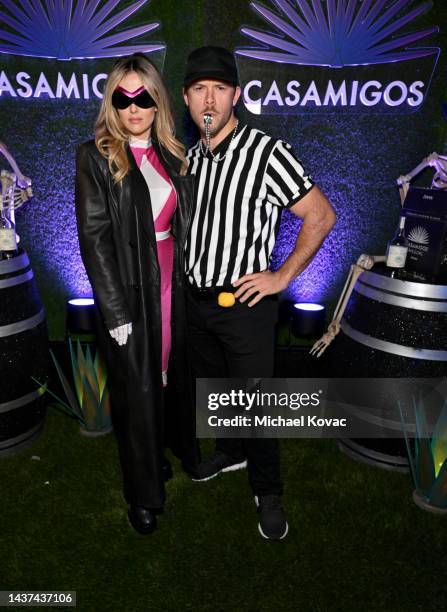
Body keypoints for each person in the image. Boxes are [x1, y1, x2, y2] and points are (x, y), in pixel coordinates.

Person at [182, 46, 336, 540]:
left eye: (219, 89)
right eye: (200, 89)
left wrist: (282, 277)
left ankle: (267, 489)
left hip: (246, 303)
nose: (210, 100)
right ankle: (232, 449)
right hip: (195, 303)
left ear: (236, 96)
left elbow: (321, 215)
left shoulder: (266, 151)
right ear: (186, 98)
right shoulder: (187, 156)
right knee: (216, 389)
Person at [75, 54, 198, 536]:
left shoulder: (173, 153)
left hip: (172, 285)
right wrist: (113, 307)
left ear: (157, 101)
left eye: (143, 97)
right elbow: (94, 236)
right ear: (112, 102)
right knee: (136, 391)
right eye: (123, 98)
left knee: (165, 379)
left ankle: (159, 456)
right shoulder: (96, 155)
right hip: (128, 290)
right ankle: (142, 493)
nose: (133, 108)